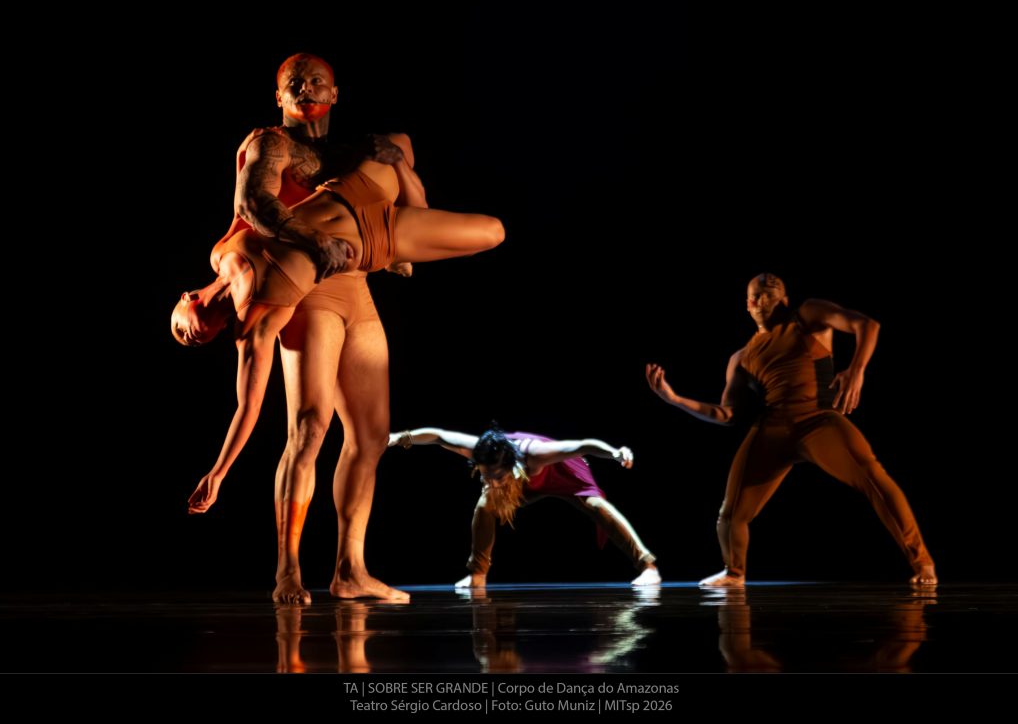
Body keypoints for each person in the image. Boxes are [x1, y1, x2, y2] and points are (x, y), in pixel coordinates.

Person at [185, 52, 500, 604]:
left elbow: (414, 202)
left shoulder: (344, 153)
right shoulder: (272, 144)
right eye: (293, 85)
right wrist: (314, 243)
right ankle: (288, 571)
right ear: (277, 97)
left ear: (335, 93)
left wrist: (396, 181)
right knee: (310, 428)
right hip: (304, 290)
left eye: (315, 83)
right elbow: (253, 201)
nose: (304, 89)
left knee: (371, 436)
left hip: (354, 281)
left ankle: (350, 568)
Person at [646, 273, 937, 587]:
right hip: (772, 429)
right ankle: (734, 573)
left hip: (818, 420)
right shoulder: (741, 358)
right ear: (747, 304)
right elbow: (727, 414)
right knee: (730, 515)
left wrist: (856, 370)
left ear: (784, 300)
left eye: (769, 294)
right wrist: (675, 399)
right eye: (755, 296)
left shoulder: (808, 315)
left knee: (873, 478)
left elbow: (867, 325)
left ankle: (923, 564)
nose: (761, 300)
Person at [387, 426, 661, 587]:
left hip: (561, 475)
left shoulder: (536, 454)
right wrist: (400, 437)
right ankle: (477, 575)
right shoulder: (480, 449)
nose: (490, 481)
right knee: (485, 505)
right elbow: (438, 436)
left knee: (596, 506)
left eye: (495, 476)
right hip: (520, 484)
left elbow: (584, 446)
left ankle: (648, 568)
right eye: (484, 475)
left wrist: (614, 452)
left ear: (511, 466)